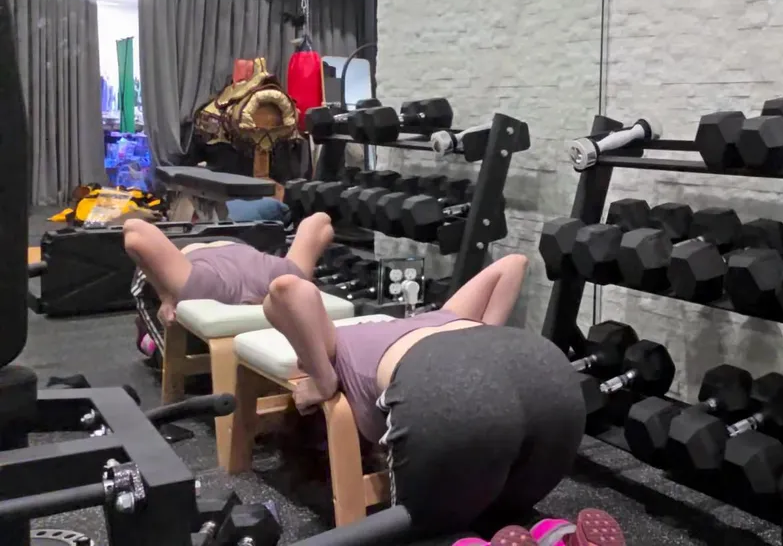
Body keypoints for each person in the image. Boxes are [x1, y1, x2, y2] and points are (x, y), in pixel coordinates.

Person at [122, 213, 591, 536]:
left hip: (446, 385)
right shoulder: (439, 316)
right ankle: (553, 531)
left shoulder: (335, 348)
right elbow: (512, 265)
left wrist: (322, 379)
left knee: (436, 524)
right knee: (510, 506)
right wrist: (486, 338)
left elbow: (287, 291)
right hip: (545, 372)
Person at [122, 210, 336, 324]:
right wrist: (166, 296)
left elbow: (135, 233)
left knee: (159, 303)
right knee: (159, 301)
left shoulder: (204, 287)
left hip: (200, 253)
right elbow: (321, 223)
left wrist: (166, 296)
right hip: (210, 250)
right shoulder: (285, 275)